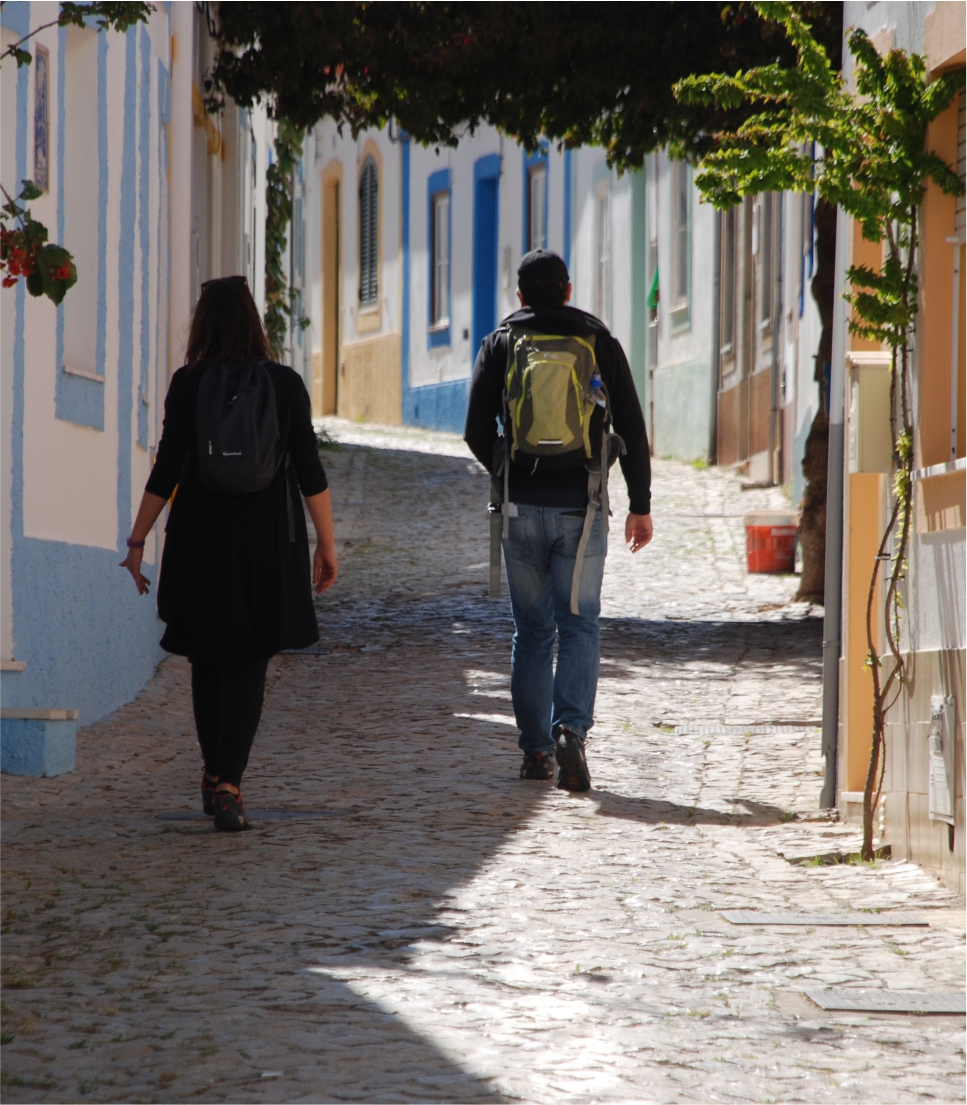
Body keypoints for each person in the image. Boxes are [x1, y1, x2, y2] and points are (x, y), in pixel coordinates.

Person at [119, 276, 338, 831]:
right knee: (249, 660)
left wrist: (138, 540)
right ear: (254, 323)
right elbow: (309, 470)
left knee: (207, 657)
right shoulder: (285, 385)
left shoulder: (188, 384)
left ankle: (214, 771)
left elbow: (167, 468)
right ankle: (230, 788)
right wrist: (327, 544)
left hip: (200, 536)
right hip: (267, 541)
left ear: (202, 326)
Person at [464, 250, 652, 791]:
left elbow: (475, 430)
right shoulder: (597, 340)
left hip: (520, 509)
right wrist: (640, 504)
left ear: (520, 295)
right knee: (580, 624)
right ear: (568, 290)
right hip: (582, 507)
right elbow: (632, 427)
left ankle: (535, 753)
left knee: (531, 631)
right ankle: (570, 729)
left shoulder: (500, 343)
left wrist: (508, 470)